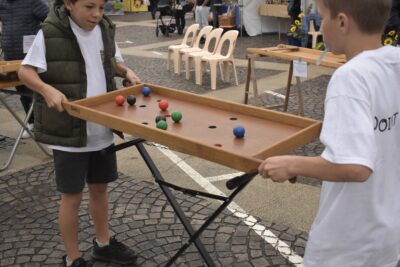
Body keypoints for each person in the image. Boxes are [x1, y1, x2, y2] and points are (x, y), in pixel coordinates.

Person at [258, 0, 400, 266]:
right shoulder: (395, 61)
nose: (320, 26)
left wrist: (292, 163)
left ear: (343, 22)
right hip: (385, 238)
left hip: (345, 246)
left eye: (322, 18)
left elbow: (355, 166)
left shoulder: (351, 77)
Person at [18, 0, 141, 266]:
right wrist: (47, 90)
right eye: (89, 6)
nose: (96, 14)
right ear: (69, 4)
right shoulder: (50, 32)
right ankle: (73, 258)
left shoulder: (104, 28)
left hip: (102, 127)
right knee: (71, 197)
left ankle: (103, 244)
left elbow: (112, 62)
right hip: (70, 132)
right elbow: (25, 71)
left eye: (101, 6)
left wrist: (127, 71)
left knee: (100, 189)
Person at [0, 0, 49, 138]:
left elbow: (50, 21)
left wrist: (39, 39)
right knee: (22, 91)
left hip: (31, 56)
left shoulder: (33, 1)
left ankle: (42, 124)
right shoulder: (3, 3)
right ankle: (31, 123)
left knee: (35, 90)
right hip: (11, 55)